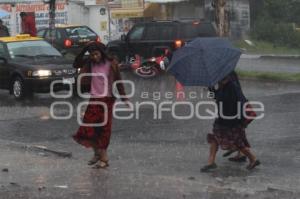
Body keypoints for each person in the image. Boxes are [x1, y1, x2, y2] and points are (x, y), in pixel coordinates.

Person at [73, 42, 128, 168]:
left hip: (107, 100)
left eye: (96, 54)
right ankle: (97, 154)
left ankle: (104, 158)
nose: (94, 57)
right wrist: (83, 50)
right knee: (88, 129)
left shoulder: (111, 64)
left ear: (102, 53)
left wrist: (124, 98)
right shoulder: (89, 63)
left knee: (104, 129)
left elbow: (119, 82)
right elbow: (76, 64)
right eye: (92, 55)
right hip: (94, 99)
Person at [201, 72, 260, 172]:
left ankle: (253, 159)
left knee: (236, 143)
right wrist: (211, 87)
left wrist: (217, 87)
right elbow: (217, 97)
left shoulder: (231, 87)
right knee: (215, 138)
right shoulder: (225, 85)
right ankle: (211, 162)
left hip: (230, 121)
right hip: (223, 120)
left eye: (219, 79)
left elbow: (226, 101)